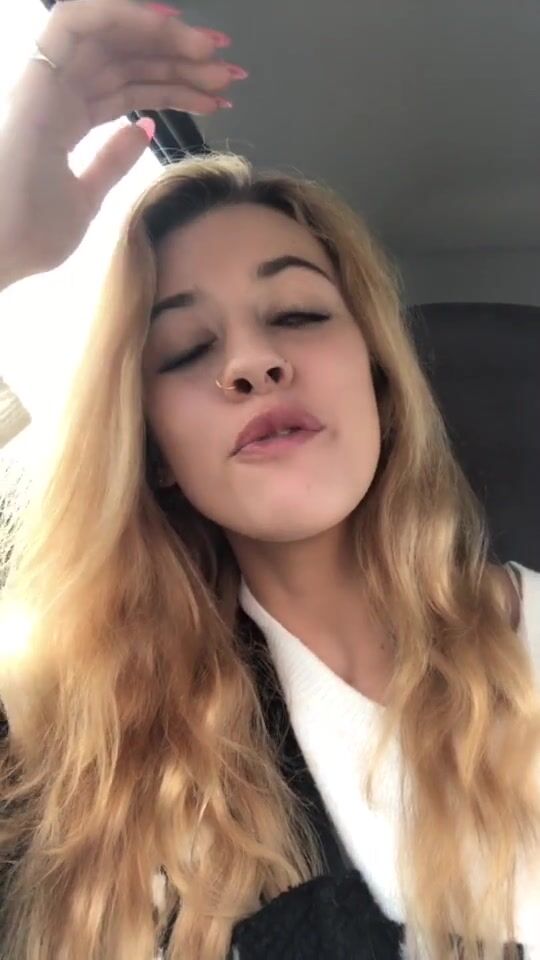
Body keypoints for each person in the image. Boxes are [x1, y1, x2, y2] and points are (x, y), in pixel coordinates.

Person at [0, 2, 539, 959]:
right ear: (154, 453)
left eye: (296, 314)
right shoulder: (81, 740)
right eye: (186, 349)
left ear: (380, 382)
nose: (250, 363)